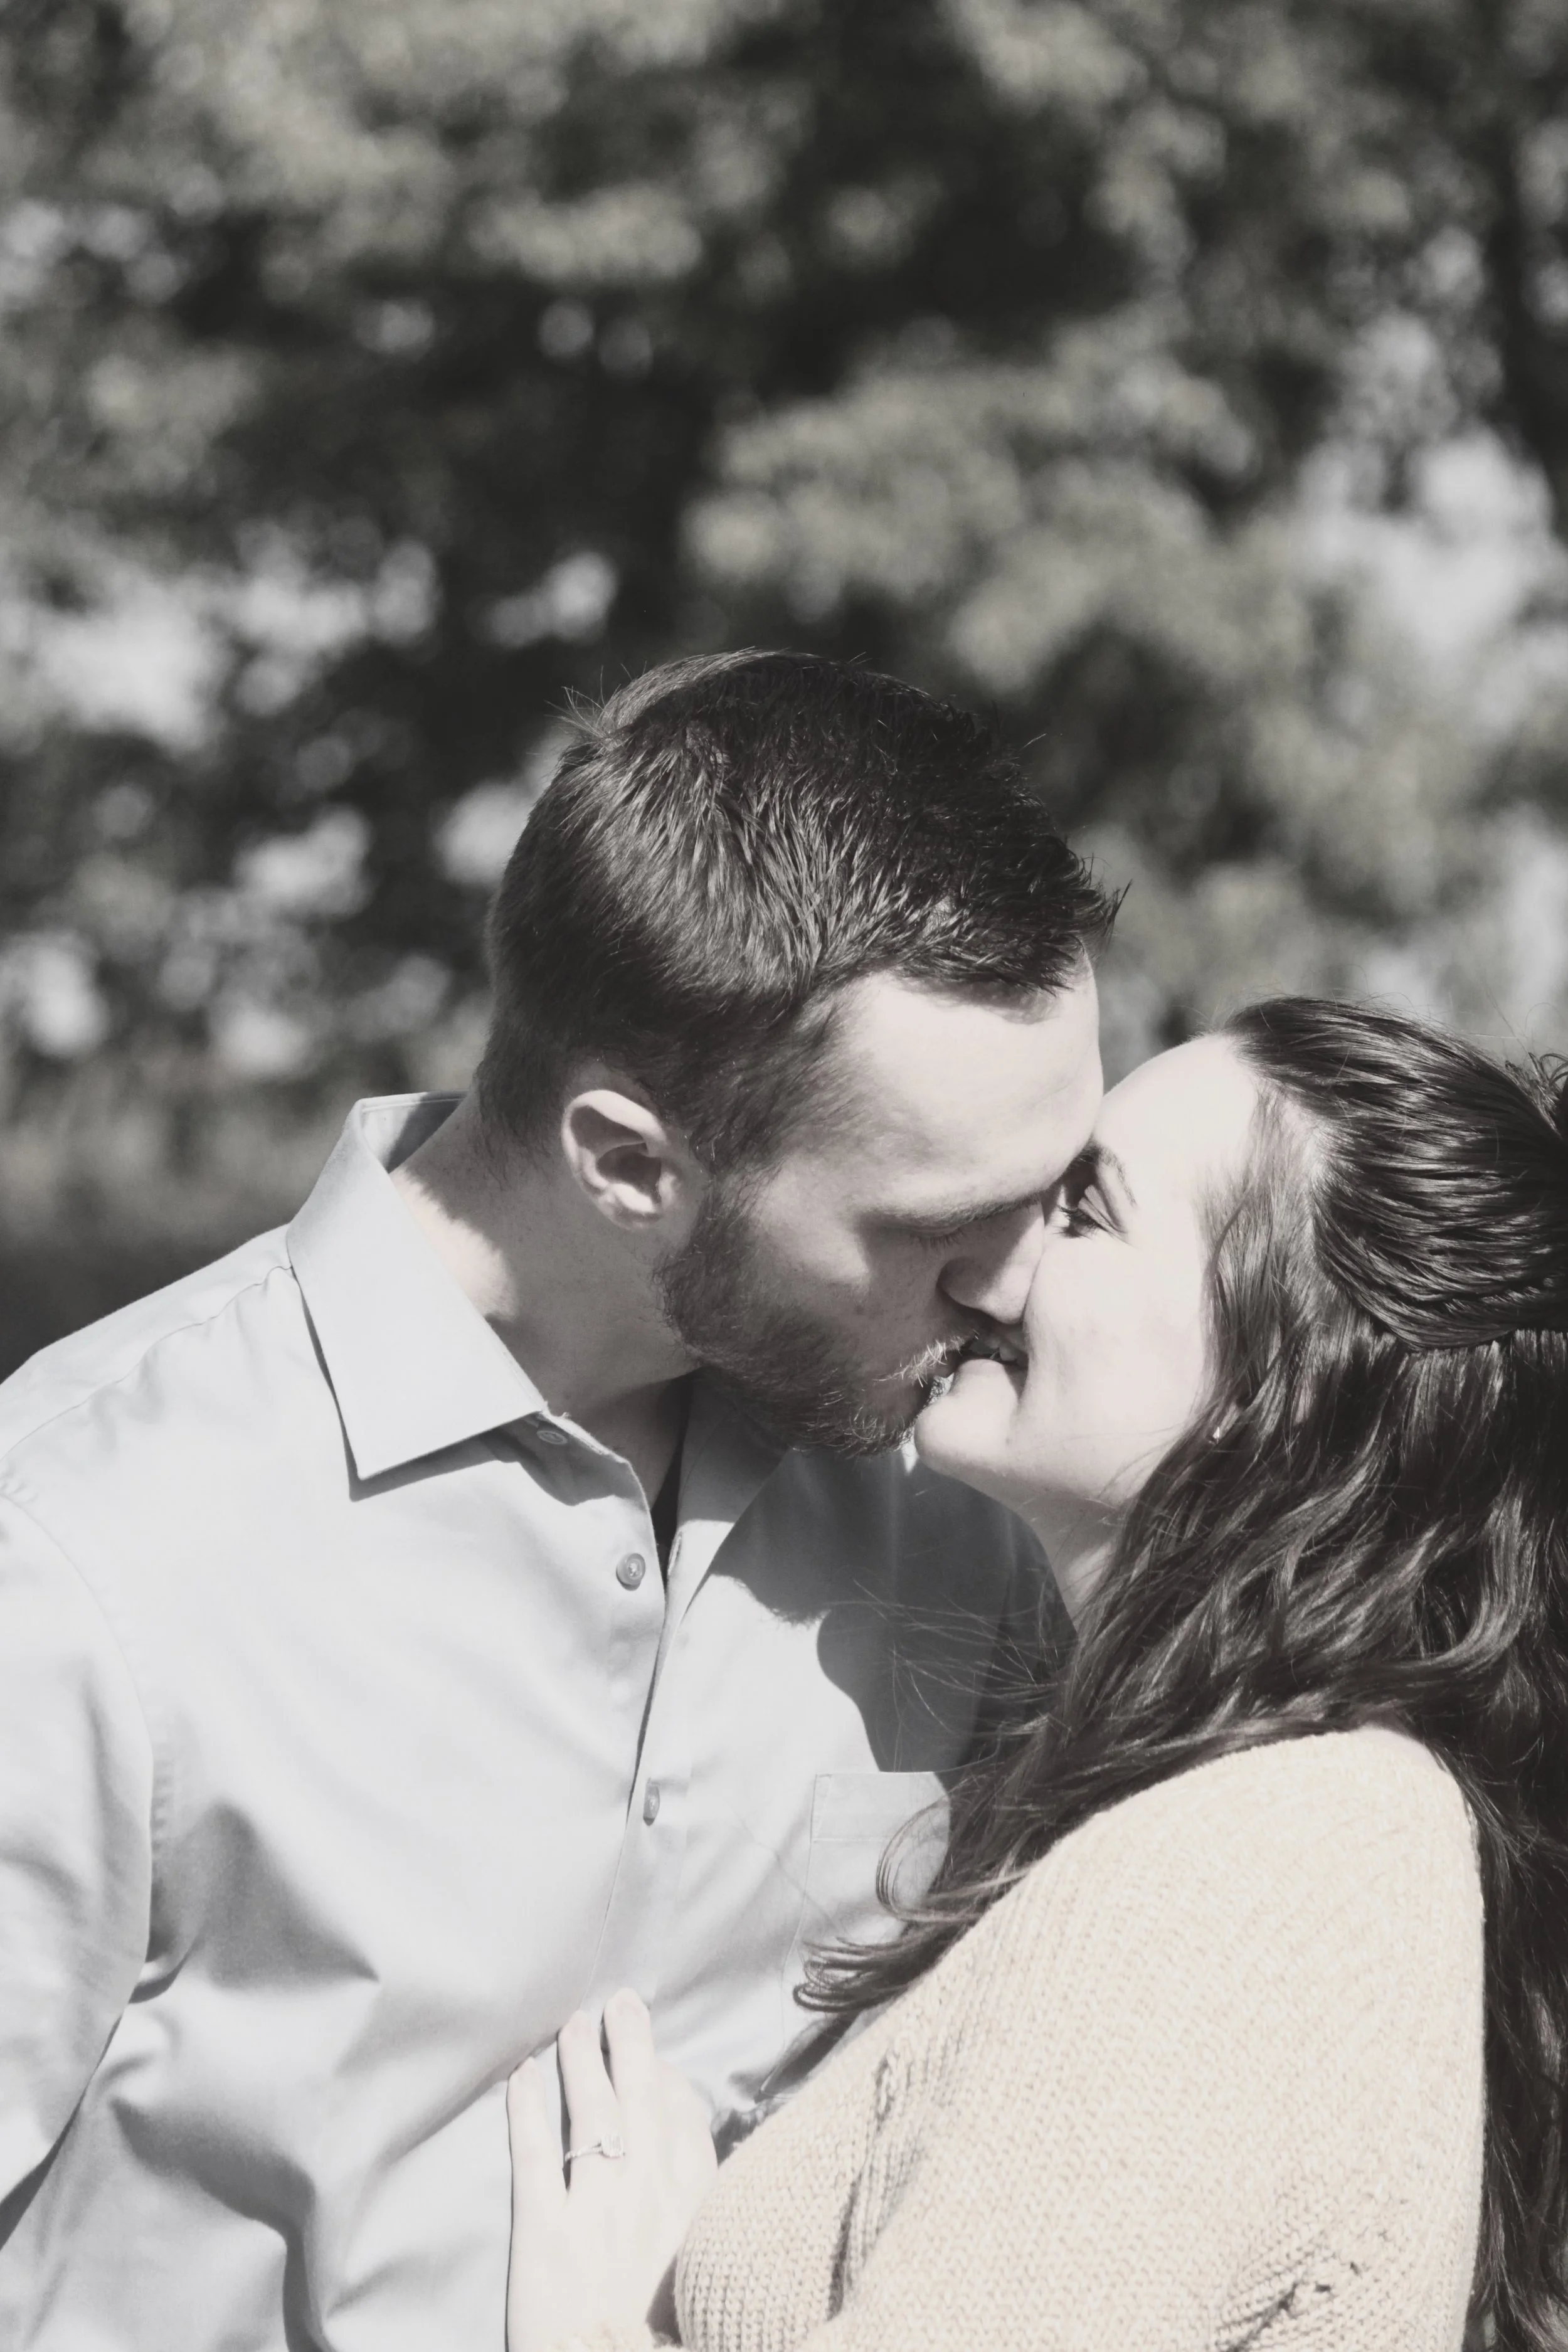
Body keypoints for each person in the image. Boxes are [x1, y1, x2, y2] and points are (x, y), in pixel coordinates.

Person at [0, 652, 1113, 2348]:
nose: (1020, 1283)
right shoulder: (75, 1548)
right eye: (936, 1223)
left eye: (1062, 1191)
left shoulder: (962, 1508)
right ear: (626, 1162)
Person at [505, 996, 1568, 2351]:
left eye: (1081, 1212)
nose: (994, 1256)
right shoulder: (1216, 1804)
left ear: (1279, 1387)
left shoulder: (1271, 1874)